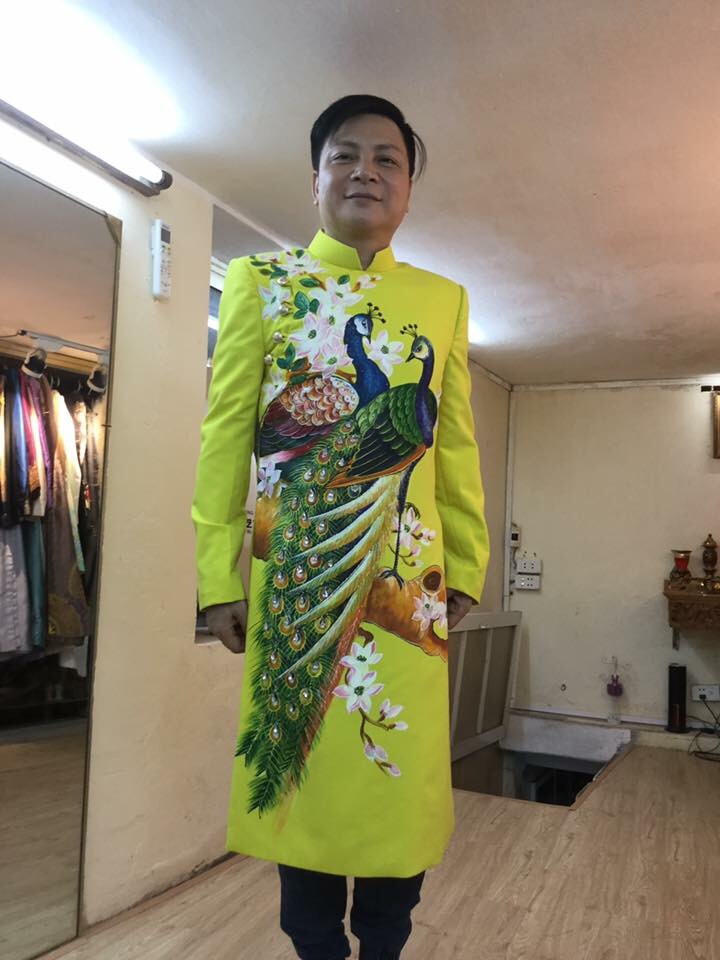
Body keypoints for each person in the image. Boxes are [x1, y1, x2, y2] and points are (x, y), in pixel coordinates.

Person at [192, 94, 489, 960]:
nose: (366, 171)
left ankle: (386, 946)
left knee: (401, 783)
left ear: (409, 188)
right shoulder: (261, 282)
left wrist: (467, 565)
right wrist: (217, 576)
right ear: (316, 178)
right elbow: (226, 439)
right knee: (310, 770)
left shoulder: (443, 299)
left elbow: (455, 445)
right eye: (345, 155)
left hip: (406, 589)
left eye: (388, 158)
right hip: (297, 576)